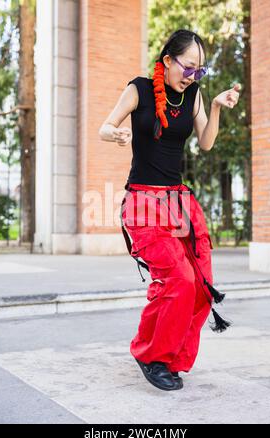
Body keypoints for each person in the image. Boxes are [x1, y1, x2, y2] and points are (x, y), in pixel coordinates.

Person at [99, 29, 240, 391]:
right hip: (143, 204)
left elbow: (206, 143)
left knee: (199, 285)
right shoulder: (140, 89)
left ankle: (170, 357)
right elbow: (106, 125)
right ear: (167, 61)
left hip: (179, 202)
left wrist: (215, 107)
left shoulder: (193, 94)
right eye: (188, 67)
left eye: (200, 70)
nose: (193, 76)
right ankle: (151, 355)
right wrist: (113, 134)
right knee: (179, 279)